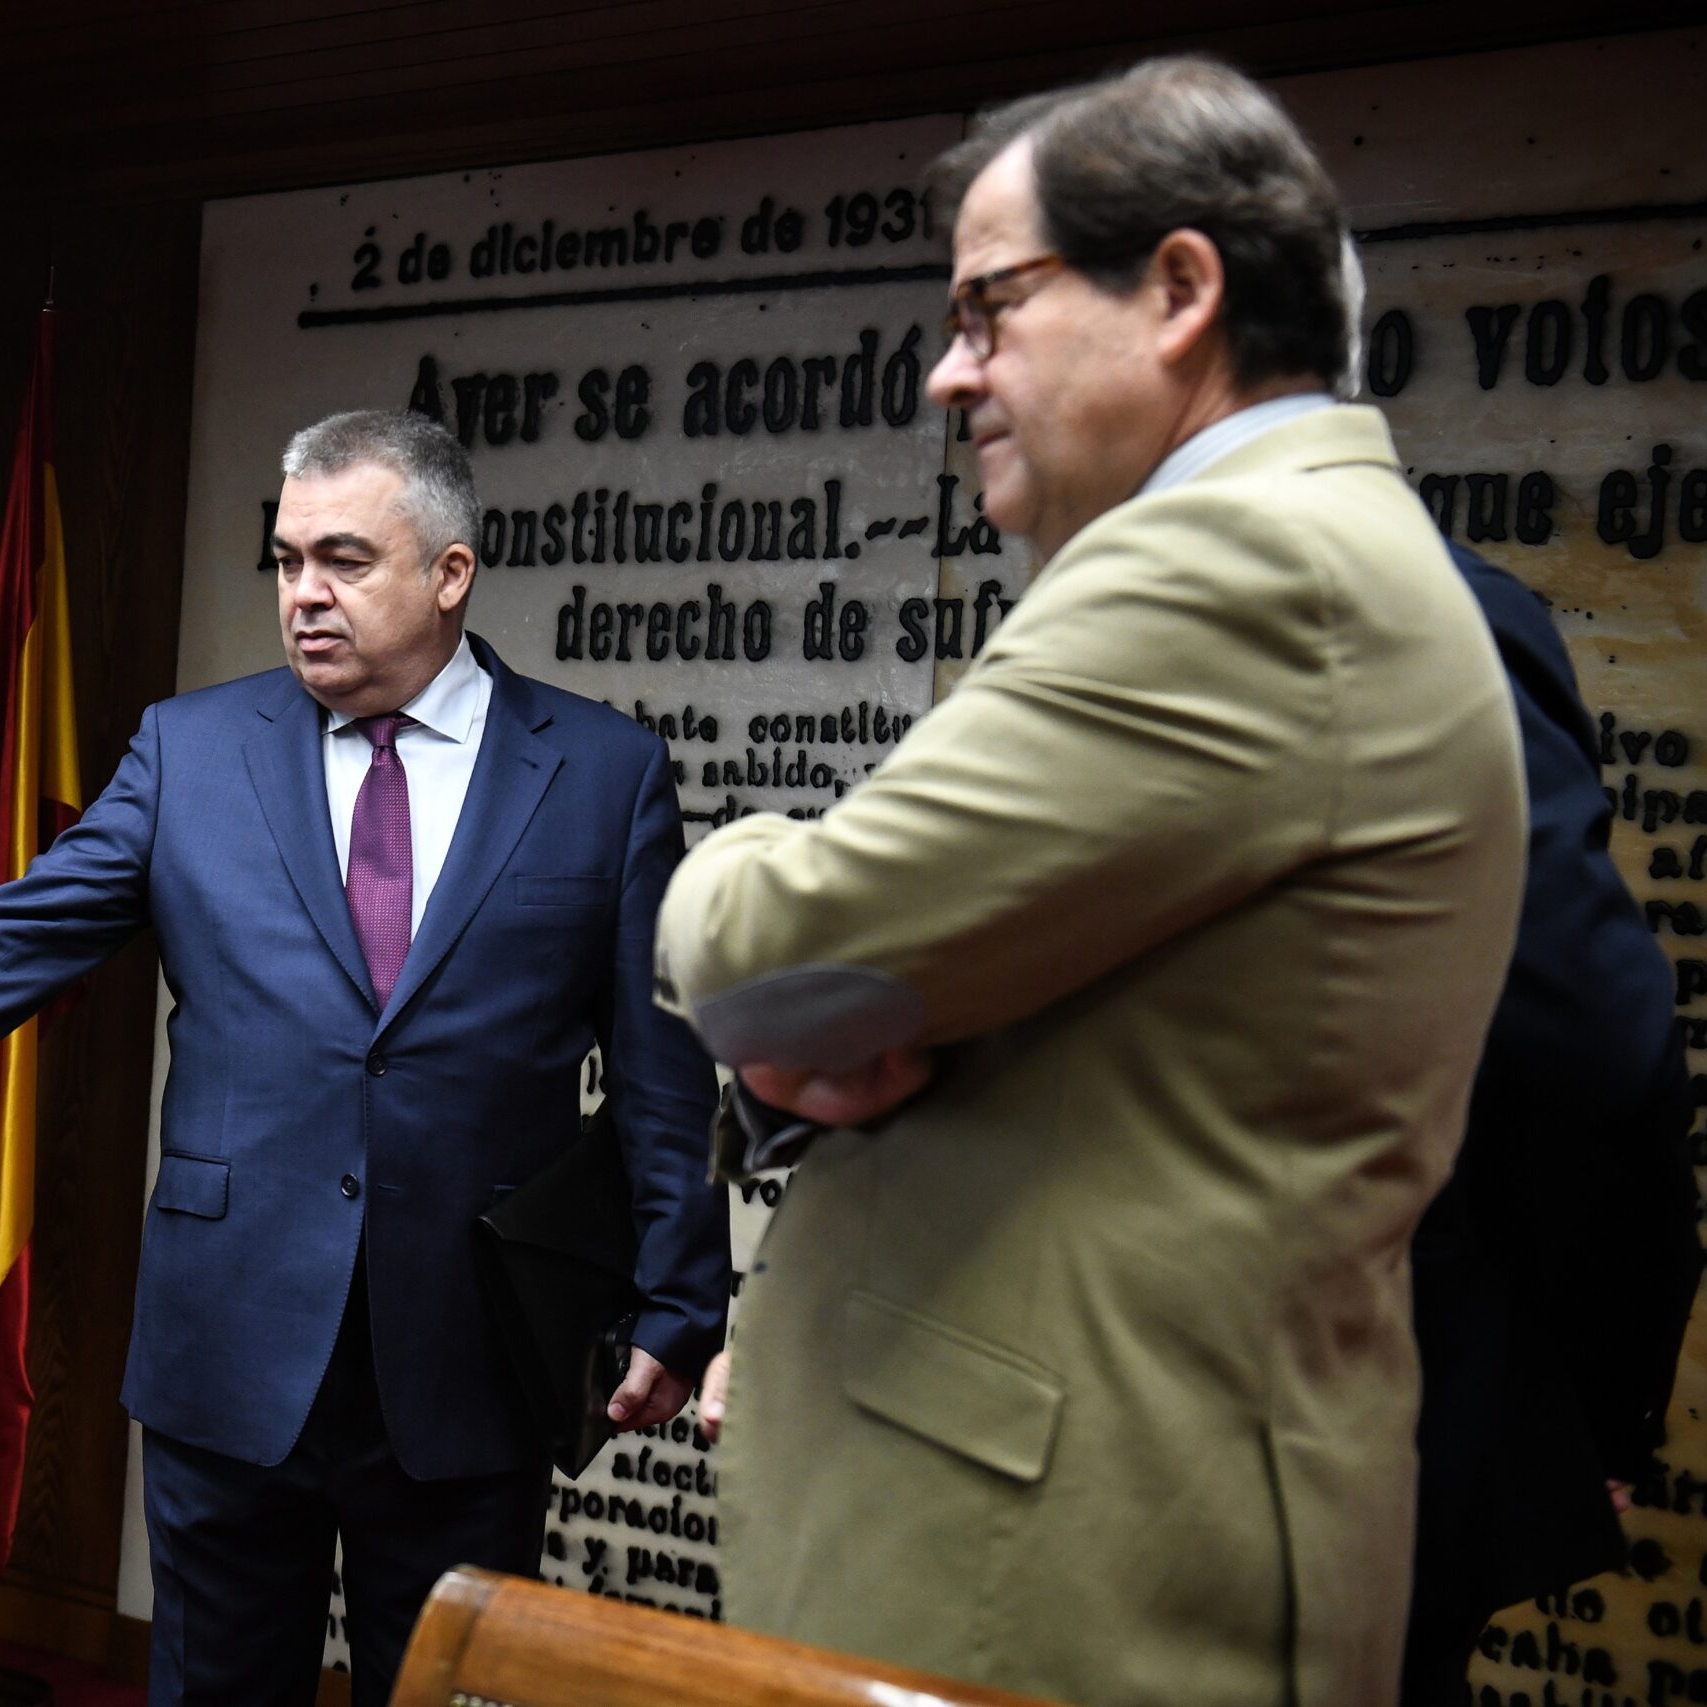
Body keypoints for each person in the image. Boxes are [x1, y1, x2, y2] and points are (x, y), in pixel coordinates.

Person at [652, 57, 1526, 1705]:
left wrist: (736, 863)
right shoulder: (1294, 544)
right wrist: (812, 1024)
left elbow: (774, 952)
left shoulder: (1237, 559)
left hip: (1068, 1577)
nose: (946, 372)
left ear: (1180, 290)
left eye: (989, 308)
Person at [0, 411, 728, 1707]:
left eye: (345, 560)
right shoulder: (190, 750)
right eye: (286, 559)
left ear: (450, 572)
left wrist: (678, 1298)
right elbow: (7, 938)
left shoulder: (600, 772)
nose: (304, 593)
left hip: (471, 1351)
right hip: (230, 1338)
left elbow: (662, 1070)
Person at [1400, 542, 1699, 1705]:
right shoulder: (1111, 607)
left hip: (1357, 1460)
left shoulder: (1424, 615)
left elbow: (1589, 1059)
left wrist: (1591, 1412)